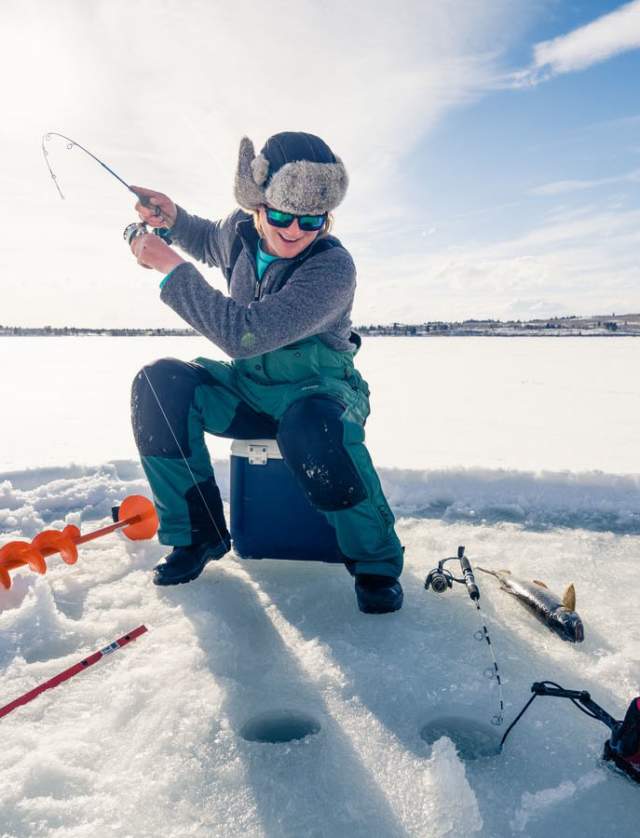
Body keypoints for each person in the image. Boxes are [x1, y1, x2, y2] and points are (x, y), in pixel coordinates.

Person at [129, 131, 404, 614]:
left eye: (312, 220)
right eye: (281, 216)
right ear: (258, 206)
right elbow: (205, 238)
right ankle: (198, 535)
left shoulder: (332, 268)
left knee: (312, 425)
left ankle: (375, 561)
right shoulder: (239, 232)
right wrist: (172, 219)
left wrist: (171, 268)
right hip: (251, 389)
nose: (295, 230)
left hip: (321, 392)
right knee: (159, 384)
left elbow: (244, 335)